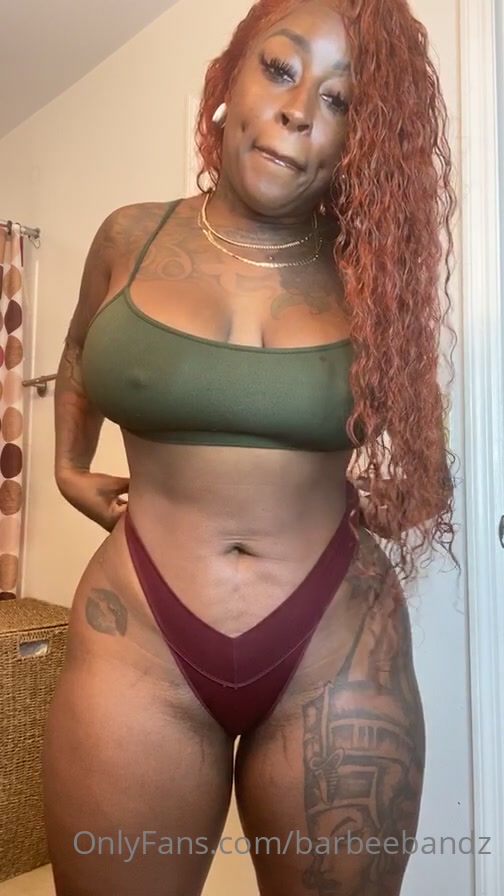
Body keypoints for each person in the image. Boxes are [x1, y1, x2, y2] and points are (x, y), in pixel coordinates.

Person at [42, 0, 456, 893]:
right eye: (279, 69)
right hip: (138, 643)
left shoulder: (374, 275)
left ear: (357, 139)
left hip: (336, 651)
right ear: (230, 75)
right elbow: (77, 352)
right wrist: (68, 466)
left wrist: (410, 492)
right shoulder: (130, 237)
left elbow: (424, 455)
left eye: (340, 100)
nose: (300, 111)